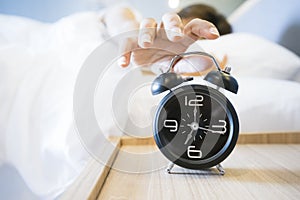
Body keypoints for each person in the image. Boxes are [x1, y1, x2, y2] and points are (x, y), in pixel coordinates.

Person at [101, 4, 228, 74]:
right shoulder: (130, 16)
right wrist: (133, 34)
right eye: (184, 29)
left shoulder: (178, 63)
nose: (183, 42)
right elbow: (118, 14)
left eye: (197, 41)